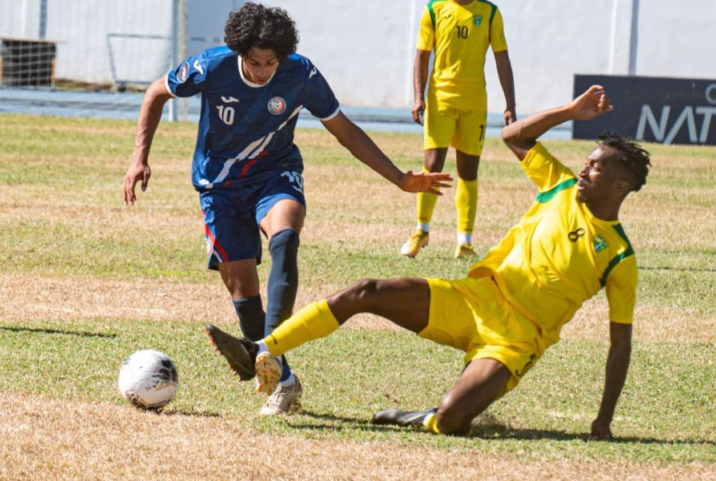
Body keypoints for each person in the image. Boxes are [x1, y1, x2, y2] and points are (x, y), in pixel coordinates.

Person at [207, 85, 651, 439]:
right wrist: (571, 113)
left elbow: (620, 345)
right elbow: (515, 136)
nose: (583, 170)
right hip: (473, 298)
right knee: (365, 291)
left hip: (513, 343)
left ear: (620, 185)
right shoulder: (557, 186)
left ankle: (421, 418)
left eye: (595, 168)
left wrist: (603, 420)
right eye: (586, 161)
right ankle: (260, 351)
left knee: (454, 420)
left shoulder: (619, 257)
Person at [122, 3, 450, 416]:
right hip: (217, 188)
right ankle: (285, 379)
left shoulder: (301, 75)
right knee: (243, 291)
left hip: (274, 176)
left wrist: (399, 179)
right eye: (253, 62)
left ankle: (267, 349)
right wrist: (139, 158)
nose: (261, 71)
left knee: (285, 238)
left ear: (283, 56)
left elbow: (345, 131)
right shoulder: (211, 67)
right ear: (239, 52)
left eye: (270, 63)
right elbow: (155, 93)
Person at [401, 0, 517, 259]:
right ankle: (421, 232)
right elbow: (422, 56)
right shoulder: (434, 10)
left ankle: (464, 242)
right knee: (432, 165)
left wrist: (510, 104)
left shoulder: (490, 13)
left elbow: (501, 58)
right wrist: (418, 96)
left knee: (468, 172)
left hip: (474, 103)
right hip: (440, 100)